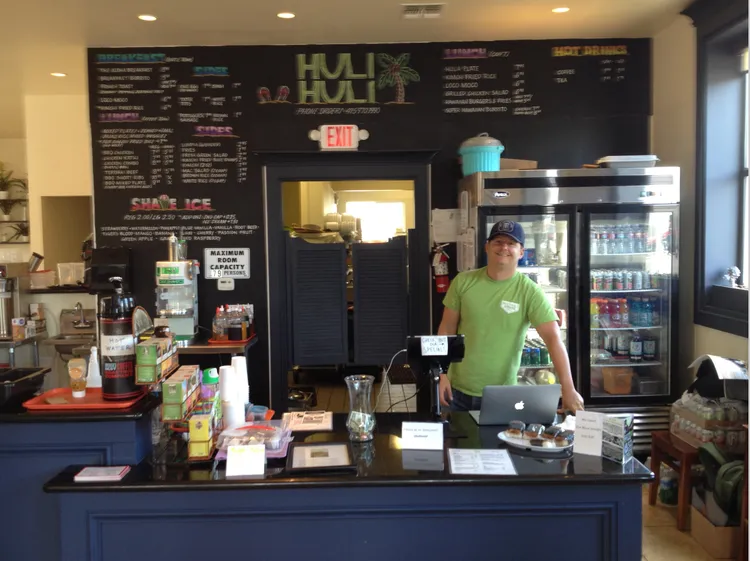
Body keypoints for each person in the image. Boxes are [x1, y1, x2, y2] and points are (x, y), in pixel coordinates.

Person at [437, 219, 584, 413]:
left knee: (500, 435)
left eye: (511, 243)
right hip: (456, 391)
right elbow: (446, 329)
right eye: (498, 242)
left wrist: (569, 388)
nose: (504, 247)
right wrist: (441, 374)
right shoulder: (463, 282)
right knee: (455, 435)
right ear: (487, 247)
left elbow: (553, 339)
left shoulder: (529, 291)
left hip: (502, 395)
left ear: (521, 252)